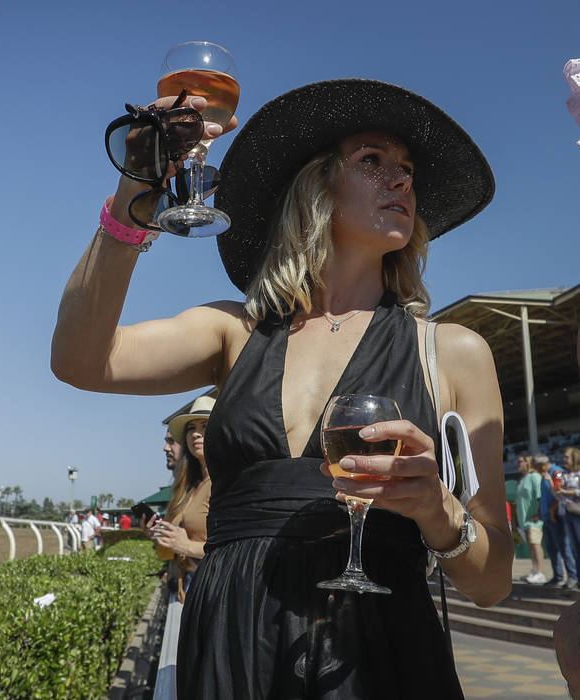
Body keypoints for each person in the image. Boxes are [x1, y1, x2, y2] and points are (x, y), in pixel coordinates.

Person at [51, 78, 512, 698]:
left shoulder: (451, 351)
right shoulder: (234, 330)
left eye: (406, 169)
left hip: (378, 654)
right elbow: (82, 360)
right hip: (231, 643)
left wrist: (438, 510)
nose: (401, 180)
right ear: (315, 188)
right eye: (372, 161)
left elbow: (492, 584)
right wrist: (137, 192)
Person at [148, 396, 213, 602]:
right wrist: (159, 534)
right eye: (191, 427)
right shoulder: (191, 484)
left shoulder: (226, 482)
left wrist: (186, 546)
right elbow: (172, 547)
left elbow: (238, 548)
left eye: (204, 426)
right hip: (189, 585)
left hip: (214, 588)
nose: (196, 433)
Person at [538, 453, 577, 588]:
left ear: (542, 464)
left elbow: (558, 493)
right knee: (551, 549)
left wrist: (552, 511)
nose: (536, 469)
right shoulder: (546, 474)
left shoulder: (556, 472)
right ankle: (558, 576)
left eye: (537, 466)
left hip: (556, 517)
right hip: (548, 518)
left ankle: (572, 576)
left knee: (564, 548)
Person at [515, 454, 547, 583]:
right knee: (531, 546)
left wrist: (538, 515)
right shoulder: (523, 479)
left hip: (534, 520)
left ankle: (540, 572)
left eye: (520, 461)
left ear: (527, 463)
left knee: (535, 545)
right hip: (524, 521)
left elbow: (541, 497)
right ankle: (534, 571)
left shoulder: (535, 477)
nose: (518, 463)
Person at [556, 446, 580, 590]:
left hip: (577, 514)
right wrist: (557, 490)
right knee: (575, 548)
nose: (564, 460)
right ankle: (577, 578)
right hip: (567, 513)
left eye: (567, 457)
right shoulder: (563, 475)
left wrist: (565, 491)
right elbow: (559, 496)